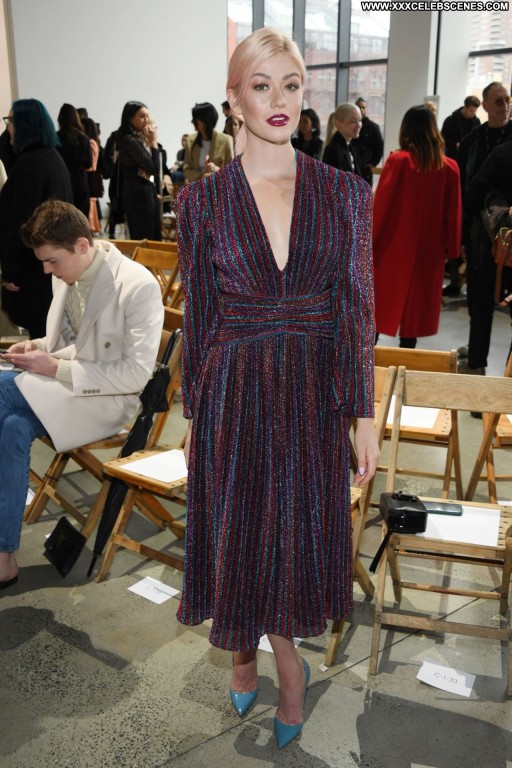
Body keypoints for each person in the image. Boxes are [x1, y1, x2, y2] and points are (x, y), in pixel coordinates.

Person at [176, 28, 378, 749]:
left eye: (290, 84)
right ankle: (254, 653)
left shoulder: (345, 193)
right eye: (260, 86)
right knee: (240, 527)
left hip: (313, 393)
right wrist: (194, 413)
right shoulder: (201, 203)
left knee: (293, 533)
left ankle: (277, 655)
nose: (278, 99)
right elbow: (201, 319)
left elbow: (357, 310)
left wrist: (363, 413)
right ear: (234, 100)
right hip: (233, 390)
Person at [0, 200, 163, 589]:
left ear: (82, 245)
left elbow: (135, 375)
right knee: (12, 428)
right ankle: (4, 556)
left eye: (52, 261)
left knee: (2, 389)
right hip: (67, 387)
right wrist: (37, 347)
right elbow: (72, 343)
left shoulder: (137, 285)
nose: (46, 270)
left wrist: (53, 367)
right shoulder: (67, 272)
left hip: (108, 400)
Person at [373, 106, 462, 348]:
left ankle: (367, 364)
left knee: (380, 306)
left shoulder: (398, 161)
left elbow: (381, 207)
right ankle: (406, 361)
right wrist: (453, 250)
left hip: (393, 247)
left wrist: (367, 242)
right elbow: (454, 212)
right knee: (414, 315)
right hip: (430, 251)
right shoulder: (449, 167)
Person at [0, 99, 72, 338]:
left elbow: (22, 222)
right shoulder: (50, 157)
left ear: (24, 124)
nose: (7, 128)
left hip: (34, 271)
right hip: (47, 267)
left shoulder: (30, 164)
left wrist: (11, 271)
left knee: (43, 337)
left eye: (10, 121)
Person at [456, 81, 512, 373]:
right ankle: (477, 362)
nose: (505, 106)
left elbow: (473, 192)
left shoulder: (504, 149)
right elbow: (465, 190)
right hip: (486, 237)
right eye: (499, 101)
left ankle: (482, 366)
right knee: (481, 301)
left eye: (508, 100)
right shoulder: (472, 142)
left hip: (498, 237)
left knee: (483, 301)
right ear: (486, 104)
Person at [115, 101, 162, 240]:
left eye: (147, 116)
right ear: (130, 119)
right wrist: (153, 142)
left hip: (143, 192)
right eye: (141, 116)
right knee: (146, 239)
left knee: (151, 237)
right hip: (138, 196)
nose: (146, 120)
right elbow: (153, 168)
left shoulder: (137, 139)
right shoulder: (130, 141)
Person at [183, 102, 234, 182]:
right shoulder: (190, 140)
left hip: (219, 186)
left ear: (205, 120)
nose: (192, 121)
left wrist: (216, 169)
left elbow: (231, 171)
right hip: (197, 187)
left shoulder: (226, 140)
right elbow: (186, 170)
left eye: (195, 119)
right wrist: (201, 176)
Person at [56, 103, 92, 217]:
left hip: (63, 180)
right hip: (80, 181)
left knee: (64, 217)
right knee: (81, 218)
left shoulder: (56, 137)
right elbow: (88, 163)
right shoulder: (84, 138)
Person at [322, 102, 364, 177]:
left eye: (360, 120)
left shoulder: (349, 146)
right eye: (353, 121)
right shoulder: (333, 150)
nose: (358, 125)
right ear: (339, 124)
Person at [352, 97, 384, 186]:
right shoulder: (350, 126)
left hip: (365, 169)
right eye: (359, 107)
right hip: (351, 167)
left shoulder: (373, 127)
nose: (361, 109)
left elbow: (379, 147)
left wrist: (372, 163)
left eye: (363, 107)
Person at [441, 95, 481, 160]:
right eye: (471, 110)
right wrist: (455, 145)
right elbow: (443, 139)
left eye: (475, 111)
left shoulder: (477, 121)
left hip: (469, 157)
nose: (473, 113)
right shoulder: (450, 120)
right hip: (453, 156)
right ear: (465, 107)